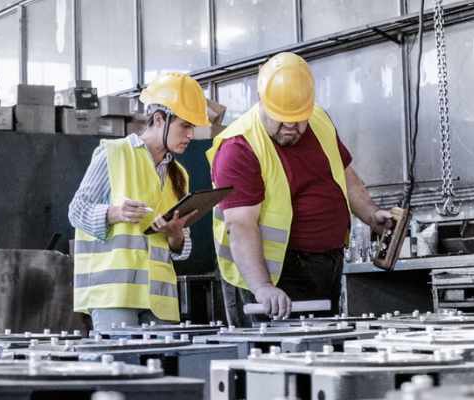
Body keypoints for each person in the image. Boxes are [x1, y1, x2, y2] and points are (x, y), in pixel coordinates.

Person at [207, 52, 394, 327]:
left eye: (298, 118)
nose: (291, 127)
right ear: (262, 101)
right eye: (281, 118)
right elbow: (241, 225)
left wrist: (370, 213)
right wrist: (262, 287)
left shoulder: (318, 120)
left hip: (325, 266)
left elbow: (343, 172)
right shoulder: (239, 146)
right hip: (273, 276)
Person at [68, 72, 211, 329]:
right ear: (159, 119)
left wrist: (175, 234)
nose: (191, 135)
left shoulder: (180, 175)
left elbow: (179, 248)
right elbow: (77, 210)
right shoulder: (113, 154)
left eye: (193, 128)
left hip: (160, 299)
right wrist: (114, 212)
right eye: (185, 126)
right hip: (115, 297)